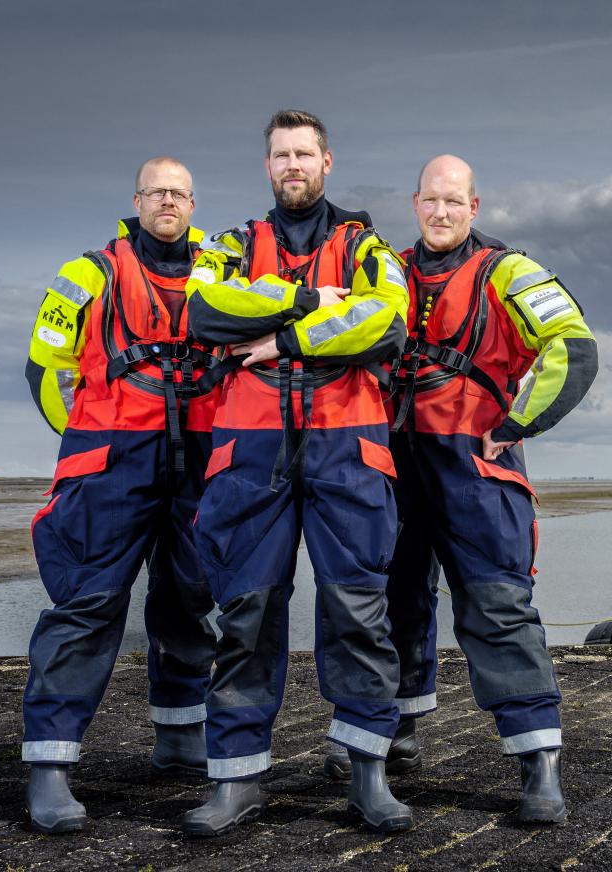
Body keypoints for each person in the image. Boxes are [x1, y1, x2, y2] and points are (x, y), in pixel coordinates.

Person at [324, 154, 597, 824]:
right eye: (430, 201)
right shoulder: (385, 271)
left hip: (475, 463)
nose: (441, 213)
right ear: (415, 204)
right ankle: (400, 732)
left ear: (473, 208)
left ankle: (539, 766)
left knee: (497, 606)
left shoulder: (509, 273)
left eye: (454, 202)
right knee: (391, 602)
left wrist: (517, 421)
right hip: (391, 461)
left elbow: (574, 346)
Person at [180, 110, 412, 836]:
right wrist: (313, 302)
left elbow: (388, 320)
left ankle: (368, 773)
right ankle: (236, 781)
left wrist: (281, 338)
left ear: (327, 162)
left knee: (358, 613)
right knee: (244, 615)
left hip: (348, 444)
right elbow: (204, 311)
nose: (292, 165)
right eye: (280, 154)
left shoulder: (365, 245)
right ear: (267, 166)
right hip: (250, 449)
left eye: (303, 153)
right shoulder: (228, 244)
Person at [21, 157, 220, 834]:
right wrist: (82, 439)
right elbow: (44, 367)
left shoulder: (222, 271)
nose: (167, 201)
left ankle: (180, 735)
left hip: (198, 457)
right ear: (136, 200)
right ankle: (49, 768)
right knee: (86, 605)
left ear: (193, 203)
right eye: (155, 192)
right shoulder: (88, 273)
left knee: (192, 598)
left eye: (178, 193)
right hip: (111, 463)